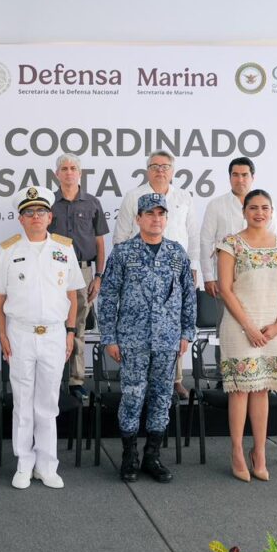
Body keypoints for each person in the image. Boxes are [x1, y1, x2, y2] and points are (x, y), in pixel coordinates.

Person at [0, 186, 85, 490]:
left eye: (41, 212)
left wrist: (71, 332)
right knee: (22, 402)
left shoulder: (64, 248)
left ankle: (47, 465)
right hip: (20, 334)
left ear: (50, 217)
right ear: (21, 219)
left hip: (54, 334)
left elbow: (72, 295)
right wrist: (1, 334)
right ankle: (24, 464)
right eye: (29, 213)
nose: (35, 217)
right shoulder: (8, 250)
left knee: (47, 402)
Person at [98, 193, 196, 484]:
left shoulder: (177, 253)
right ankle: (129, 455)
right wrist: (110, 337)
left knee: (162, 397)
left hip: (167, 340)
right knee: (132, 397)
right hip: (132, 340)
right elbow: (108, 296)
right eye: (150, 214)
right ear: (138, 218)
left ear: (166, 218)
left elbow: (188, 295)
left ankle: (152, 455)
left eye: (161, 214)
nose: (156, 219)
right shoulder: (123, 253)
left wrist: (186, 333)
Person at [216, 190, 277, 482]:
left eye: (264, 208)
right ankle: (237, 451)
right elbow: (225, 289)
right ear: (244, 212)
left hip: (273, 328)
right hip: (240, 326)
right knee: (240, 390)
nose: (259, 213)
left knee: (262, 389)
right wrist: (249, 326)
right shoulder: (230, 244)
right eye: (253, 208)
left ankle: (259, 452)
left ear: (272, 212)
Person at [113, 151, 198, 399]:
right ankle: (139, 383)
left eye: (165, 166)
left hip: (174, 271)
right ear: (147, 170)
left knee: (172, 323)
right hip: (139, 272)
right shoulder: (133, 196)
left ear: (173, 171)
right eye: (155, 166)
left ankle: (175, 380)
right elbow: (121, 234)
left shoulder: (184, 197)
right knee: (142, 327)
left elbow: (193, 235)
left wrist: (193, 268)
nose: (160, 170)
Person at [49, 153, 109, 401]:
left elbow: (100, 242)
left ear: (80, 173)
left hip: (84, 271)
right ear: (57, 174)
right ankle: (53, 377)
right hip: (53, 271)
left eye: (73, 168)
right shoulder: (48, 203)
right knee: (54, 325)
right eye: (64, 169)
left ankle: (76, 380)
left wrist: (99, 276)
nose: (69, 172)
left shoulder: (92, 203)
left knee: (79, 327)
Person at [199, 157, 277, 302]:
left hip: (259, 278)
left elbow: (274, 239)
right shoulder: (216, 205)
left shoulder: (265, 205)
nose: (240, 180)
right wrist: (208, 277)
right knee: (226, 316)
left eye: (244, 175)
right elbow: (206, 242)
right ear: (229, 177)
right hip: (225, 280)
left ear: (252, 177)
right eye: (235, 175)